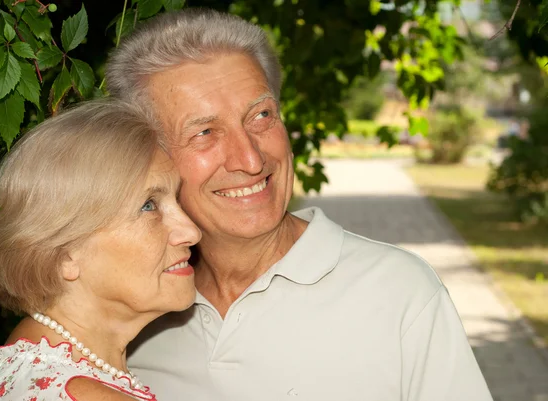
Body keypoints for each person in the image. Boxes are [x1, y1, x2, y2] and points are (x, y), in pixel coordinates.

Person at [106, 8, 493, 401]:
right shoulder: (132, 315)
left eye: (260, 116)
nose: (251, 160)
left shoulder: (400, 293)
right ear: (150, 158)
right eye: (205, 132)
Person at [0, 100, 201, 400]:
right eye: (148, 206)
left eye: (176, 200)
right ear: (65, 253)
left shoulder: (28, 369)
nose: (191, 232)